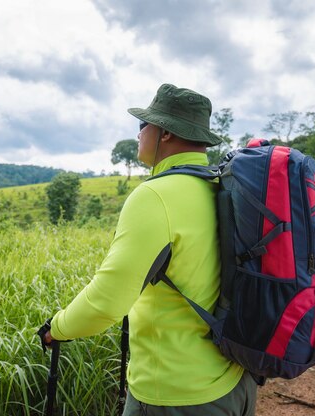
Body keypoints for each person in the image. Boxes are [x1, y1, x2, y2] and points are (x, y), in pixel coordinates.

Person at [41, 84, 257, 415]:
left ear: (165, 133)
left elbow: (106, 303)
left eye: (144, 124)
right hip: (234, 380)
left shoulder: (156, 196)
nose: (140, 132)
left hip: (175, 394)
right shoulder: (222, 186)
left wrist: (57, 328)